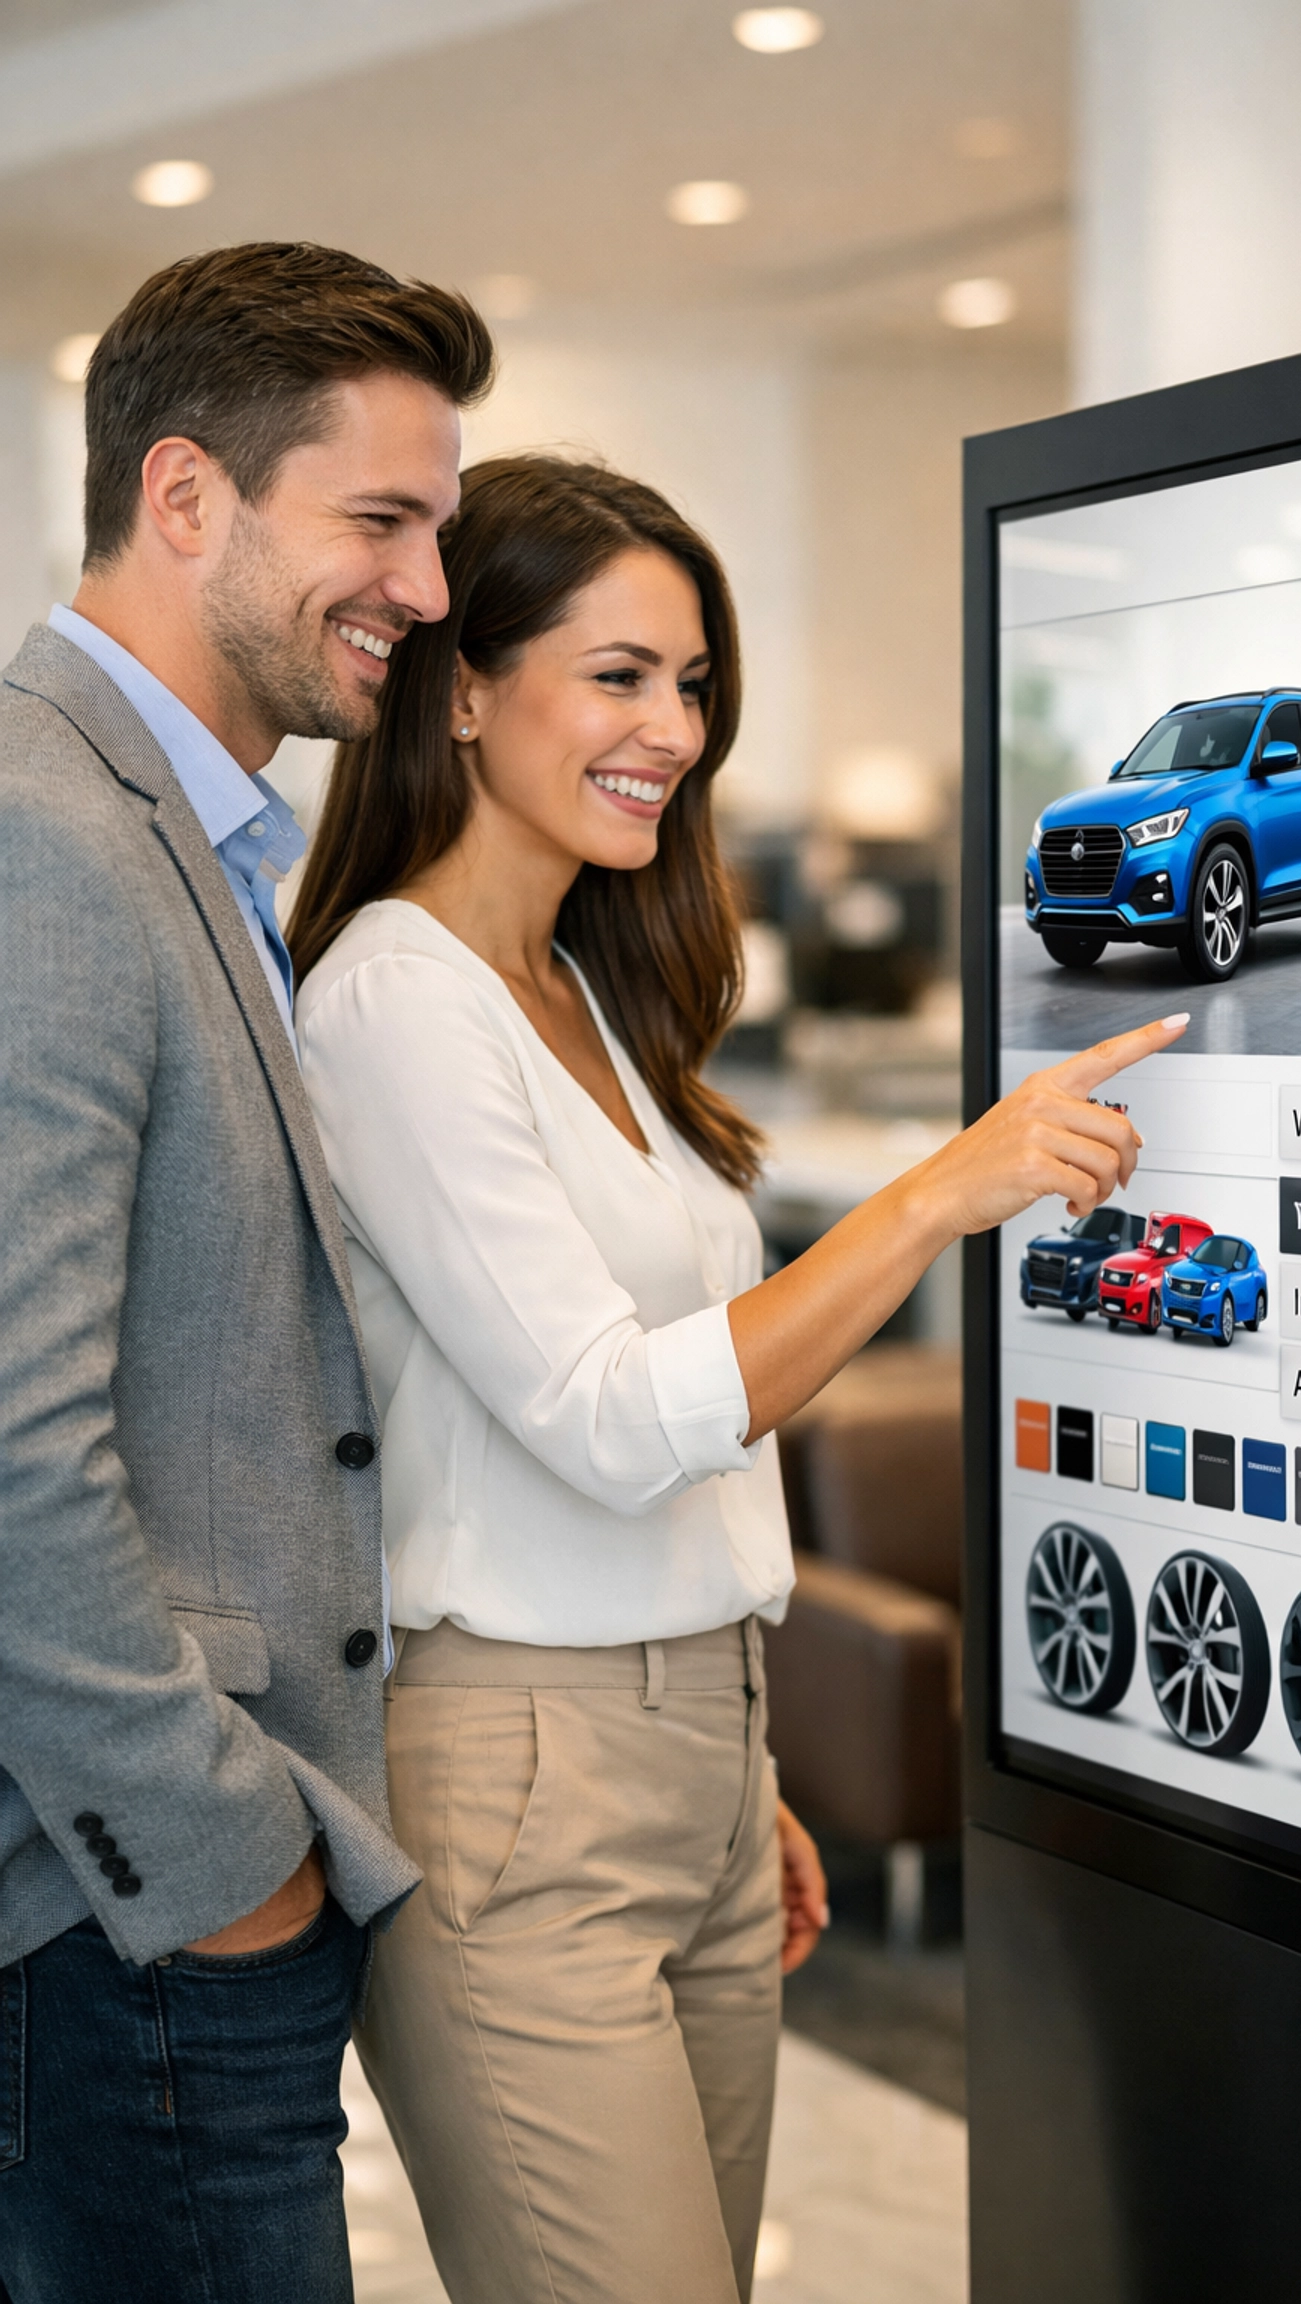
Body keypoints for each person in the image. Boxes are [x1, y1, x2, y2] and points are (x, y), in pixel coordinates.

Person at [287, 453, 1185, 2304]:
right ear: (463, 685)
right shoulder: (392, 998)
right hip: (513, 1774)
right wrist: (948, 1191)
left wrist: (731, 1754)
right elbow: (621, 1417)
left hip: (696, 1748)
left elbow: (683, 1440)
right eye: (618, 674)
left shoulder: (599, 993)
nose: (672, 730)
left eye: (692, 685)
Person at [0, 243, 493, 2302]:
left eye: (441, 528)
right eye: (379, 521)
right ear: (185, 497)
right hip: (127, 1923)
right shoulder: (49, 833)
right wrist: (220, 1865)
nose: (433, 588)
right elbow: (15, 1447)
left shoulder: (182, 835)